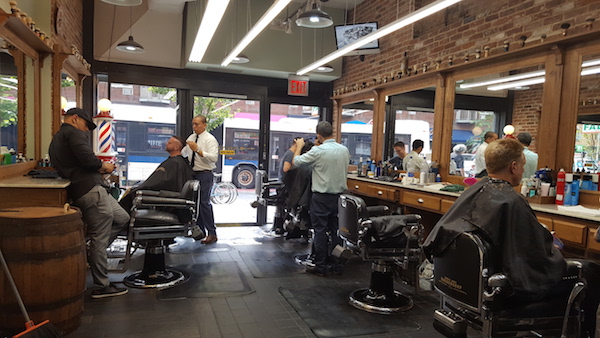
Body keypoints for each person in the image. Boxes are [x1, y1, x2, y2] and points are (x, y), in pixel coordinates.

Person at [423, 138, 600, 336]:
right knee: (589, 270)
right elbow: (535, 259)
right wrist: (549, 245)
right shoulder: (511, 201)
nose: (524, 170)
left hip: (469, 286)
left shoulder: (472, 192)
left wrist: (535, 238)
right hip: (504, 291)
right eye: (523, 164)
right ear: (513, 166)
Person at [49, 107, 130, 299]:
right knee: (99, 239)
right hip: (90, 191)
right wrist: (104, 166)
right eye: (86, 125)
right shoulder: (74, 133)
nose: (86, 130)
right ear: (75, 119)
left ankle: (91, 254)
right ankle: (101, 285)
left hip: (90, 189)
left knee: (122, 218)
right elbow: (88, 160)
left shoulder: (56, 139)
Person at [293, 121, 350, 276]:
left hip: (321, 198)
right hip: (339, 198)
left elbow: (297, 162)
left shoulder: (318, 151)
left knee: (320, 231)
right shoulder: (344, 150)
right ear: (332, 133)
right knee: (336, 231)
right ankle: (337, 263)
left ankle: (321, 265)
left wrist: (299, 146)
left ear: (318, 135)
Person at [119, 136, 194, 213]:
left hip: (166, 201)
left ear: (176, 147)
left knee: (131, 195)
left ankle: (122, 221)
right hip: (166, 196)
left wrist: (139, 188)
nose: (166, 143)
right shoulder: (176, 162)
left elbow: (158, 183)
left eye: (169, 143)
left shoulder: (175, 163)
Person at [184, 115, 219, 244]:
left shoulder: (210, 139)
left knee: (204, 203)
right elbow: (184, 153)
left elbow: (214, 158)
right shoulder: (191, 138)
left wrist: (198, 150)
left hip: (205, 173)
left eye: (197, 124)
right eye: (193, 124)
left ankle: (212, 233)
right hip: (192, 173)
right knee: (195, 203)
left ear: (205, 125)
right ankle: (200, 231)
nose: (194, 127)